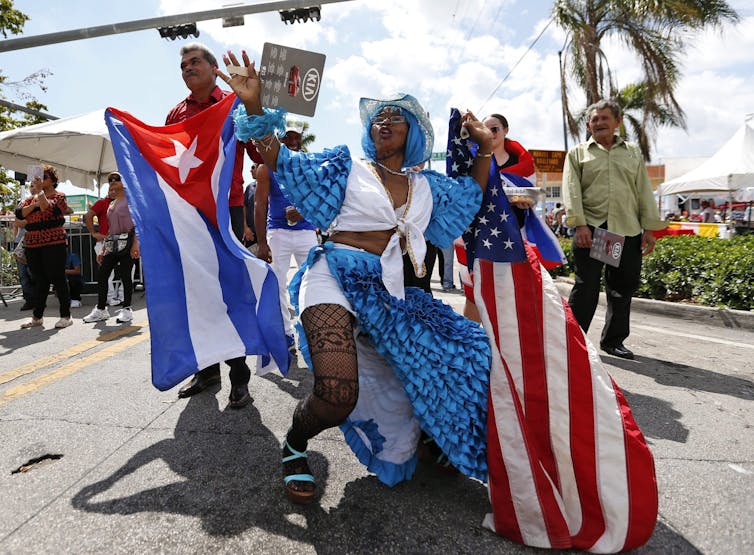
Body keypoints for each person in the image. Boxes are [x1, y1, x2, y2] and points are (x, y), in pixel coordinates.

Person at [218, 50, 494, 504]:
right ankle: (295, 444)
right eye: (378, 117)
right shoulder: (346, 168)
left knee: (469, 351)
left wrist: (484, 147)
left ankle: (434, 434)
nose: (383, 122)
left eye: (396, 118)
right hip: (331, 275)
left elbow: (471, 196)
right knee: (337, 392)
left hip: (388, 291)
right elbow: (279, 159)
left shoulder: (427, 188)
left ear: (414, 135)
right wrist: (252, 104)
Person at [166, 42, 262, 408]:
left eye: (194, 62)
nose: (187, 68)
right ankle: (207, 372)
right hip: (189, 214)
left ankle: (240, 376)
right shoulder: (176, 112)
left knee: (228, 292)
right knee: (198, 295)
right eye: (183, 65)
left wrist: (252, 106)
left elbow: (256, 153)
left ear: (211, 68)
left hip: (226, 210)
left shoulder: (233, 104)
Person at [562, 99, 666, 360]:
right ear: (588, 124)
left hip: (626, 230)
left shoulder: (631, 152)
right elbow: (571, 190)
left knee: (622, 288)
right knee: (586, 288)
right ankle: (573, 342)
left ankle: (613, 341)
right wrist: (581, 225)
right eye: (594, 120)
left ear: (617, 122)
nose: (598, 123)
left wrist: (649, 229)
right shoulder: (578, 153)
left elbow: (643, 191)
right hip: (593, 230)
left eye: (604, 118)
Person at [254, 121, 319, 354]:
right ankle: (285, 334)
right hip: (278, 233)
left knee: (312, 283)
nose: (292, 142)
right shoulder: (266, 168)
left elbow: (317, 199)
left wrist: (303, 210)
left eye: (296, 138)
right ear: (280, 140)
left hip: (306, 232)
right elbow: (260, 206)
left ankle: (308, 332)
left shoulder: (309, 166)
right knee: (277, 285)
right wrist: (262, 243)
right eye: (288, 137)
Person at [15, 165, 73, 329]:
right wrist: (34, 205)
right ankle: (37, 317)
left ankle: (66, 315)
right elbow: (20, 214)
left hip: (54, 242)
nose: (41, 179)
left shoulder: (59, 196)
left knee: (58, 277)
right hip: (33, 243)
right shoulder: (30, 199)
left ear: (53, 181)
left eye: (45, 176)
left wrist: (40, 195)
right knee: (39, 280)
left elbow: (49, 209)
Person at [83, 172, 140, 324]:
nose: (113, 182)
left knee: (126, 275)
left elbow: (137, 224)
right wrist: (103, 249)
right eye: (110, 180)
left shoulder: (130, 201)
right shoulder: (112, 203)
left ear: (124, 182)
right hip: (113, 243)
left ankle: (127, 309)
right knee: (102, 274)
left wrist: (136, 243)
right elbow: (110, 228)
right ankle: (101, 309)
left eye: (117, 179)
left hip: (128, 241)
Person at [84, 179, 124, 306]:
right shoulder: (102, 203)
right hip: (105, 243)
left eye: (115, 189)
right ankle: (110, 297)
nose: (113, 191)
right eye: (111, 189)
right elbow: (88, 216)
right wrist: (94, 233)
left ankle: (123, 296)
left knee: (128, 270)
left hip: (123, 242)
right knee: (107, 272)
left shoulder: (126, 203)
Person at [12, 217, 35, 311]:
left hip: (32, 242)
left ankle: (38, 300)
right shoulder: (21, 206)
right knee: (23, 275)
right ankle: (29, 301)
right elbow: (16, 224)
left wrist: (21, 222)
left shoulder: (33, 206)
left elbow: (21, 223)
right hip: (20, 243)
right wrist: (16, 239)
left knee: (33, 273)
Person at [242, 164, 258, 251]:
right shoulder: (249, 188)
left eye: (253, 168)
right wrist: (246, 228)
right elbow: (244, 207)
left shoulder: (272, 187)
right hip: (251, 234)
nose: (250, 170)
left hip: (269, 233)